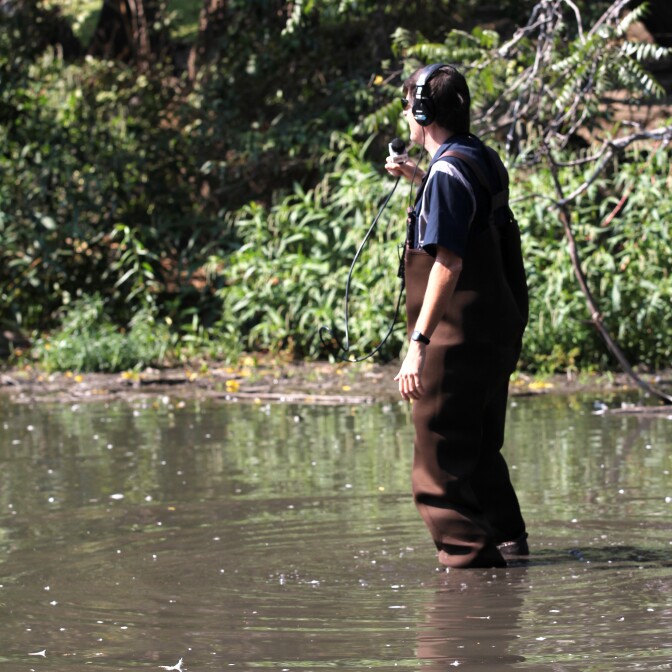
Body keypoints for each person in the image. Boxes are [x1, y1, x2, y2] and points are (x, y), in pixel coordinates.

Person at [385, 63, 529, 569]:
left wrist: (418, 344)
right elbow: (468, 217)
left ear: (422, 113)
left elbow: (449, 261)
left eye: (409, 107)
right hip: (494, 332)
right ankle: (510, 547)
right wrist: (420, 180)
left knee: (439, 465)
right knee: (481, 450)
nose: (407, 116)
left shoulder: (448, 172)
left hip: (457, 339)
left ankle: (468, 572)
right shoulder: (478, 157)